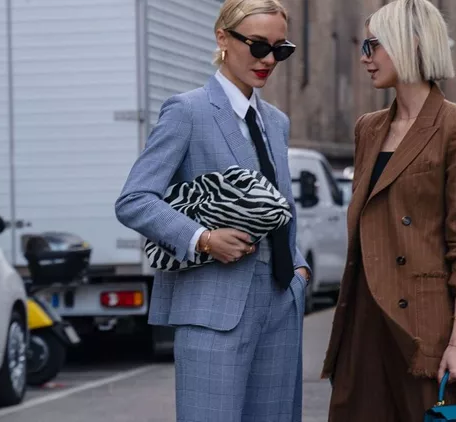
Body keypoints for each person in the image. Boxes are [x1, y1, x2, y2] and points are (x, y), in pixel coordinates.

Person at [115, 1, 311, 420]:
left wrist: (297, 270)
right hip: (213, 308)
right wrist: (202, 239)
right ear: (223, 38)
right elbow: (134, 200)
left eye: (281, 49)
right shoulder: (188, 110)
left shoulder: (275, 121)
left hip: (280, 301)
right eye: (258, 46)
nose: (268, 60)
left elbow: (282, 207)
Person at [320, 0, 456, 420]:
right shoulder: (369, 128)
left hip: (423, 323)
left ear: (410, 44)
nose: (365, 57)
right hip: (364, 315)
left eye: (373, 45)